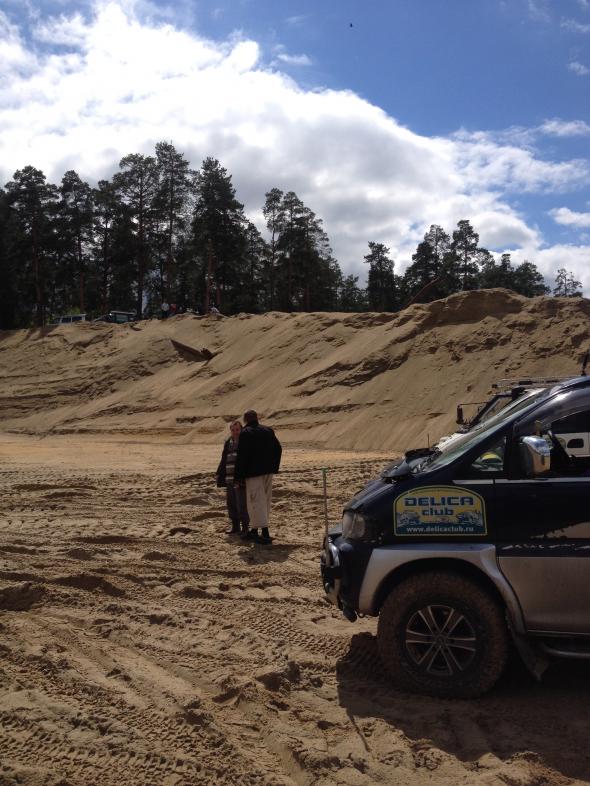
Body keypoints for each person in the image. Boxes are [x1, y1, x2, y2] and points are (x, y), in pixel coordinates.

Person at [234, 410, 282, 544]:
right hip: (268, 472)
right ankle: (255, 530)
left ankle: (264, 533)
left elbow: (242, 456)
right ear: (257, 418)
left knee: (255, 502)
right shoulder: (268, 430)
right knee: (265, 500)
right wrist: (273, 467)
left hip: (253, 474)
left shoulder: (245, 433)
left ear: (245, 419)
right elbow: (278, 449)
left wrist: (239, 476)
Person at [216, 420, 250, 536]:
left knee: (242, 504)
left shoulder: (244, 441)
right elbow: (224, 459)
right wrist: (219, 472)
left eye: (237, 429)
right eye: (233, 430)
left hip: (239, 479)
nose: (235, 432)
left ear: (241, 429)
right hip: (229, 479)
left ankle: (245, 527)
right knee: (231, 503)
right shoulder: (228, 442)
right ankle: (235, 527)